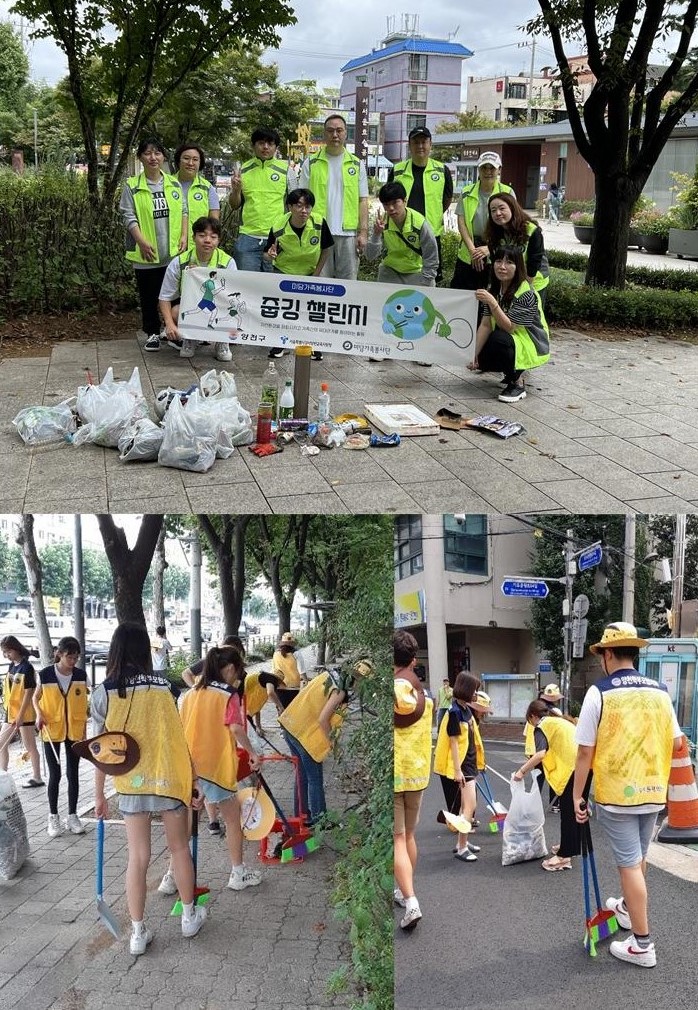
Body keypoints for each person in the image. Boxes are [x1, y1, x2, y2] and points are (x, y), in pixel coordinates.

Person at [91, 623, 207, 955]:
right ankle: (188, 917)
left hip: (131, 783)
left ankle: (138, 934)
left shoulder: (104, 693)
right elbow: (178, 740)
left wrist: (100, 795)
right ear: (145, 650)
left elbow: (102, 751)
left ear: (115, 650)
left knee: (138, 858)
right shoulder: (165, 688)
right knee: (179, 849)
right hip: (170, 779)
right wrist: (194, 782)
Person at [573, 622, 683, 969]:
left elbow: (584, 753)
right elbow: (678, 741)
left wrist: (577, 795)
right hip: (653, 790)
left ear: (607, 654)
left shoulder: (600, 692)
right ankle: (624, 909)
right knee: (638, 859)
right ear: (633, 652)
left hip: (618, 794)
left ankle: (642, 943)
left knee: (627, 866)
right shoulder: (660, 692)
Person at [167, 645, 263, 895]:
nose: (238, 678)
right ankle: (238, 873)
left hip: (189, 767)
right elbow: (235, 729)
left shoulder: (191, 693)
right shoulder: (228, 694)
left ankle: (170, 877)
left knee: (187, 824)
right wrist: (253, 752)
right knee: (233, 819)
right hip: (216, 767)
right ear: (230, 668)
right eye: (238, 672)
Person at [278, 658, 374, 826]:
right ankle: (320, 821)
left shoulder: (329, 676)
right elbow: (323, 720)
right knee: (314, 778)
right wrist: (333, 744)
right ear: (358, 679)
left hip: (290, 725)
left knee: (301, 776)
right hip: (304, 735)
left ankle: (301, 816)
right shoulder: (339, 691)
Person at [119, 137, 188, 352]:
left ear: (163, 157)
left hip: (172, 252)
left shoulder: (173, 183)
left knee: (173, 295)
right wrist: (141, 241)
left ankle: (174, 332)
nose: (153, 157)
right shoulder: (132, 186)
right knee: (148, 295)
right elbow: (128, 216)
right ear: (140, 157)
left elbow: (184, 211)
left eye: (157, 153)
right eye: (148, 153)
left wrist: (184, 236)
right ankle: (151, 333)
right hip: (146, 252)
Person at [515, 699, 590, 872]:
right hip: (585, 767)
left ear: (533, 716)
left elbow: (540, 753)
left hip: (571, 771)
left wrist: (521, 771)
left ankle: (564, 857)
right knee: (578, 810)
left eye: (529, 721)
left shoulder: (542, 726)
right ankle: (571, 846)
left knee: (569, 813)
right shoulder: (560, 721)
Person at [472, 245, 550, 403]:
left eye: (509, 263)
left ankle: (517, 381)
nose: (502, 267)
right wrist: (473, 355)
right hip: (510, 339)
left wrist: (493, 303)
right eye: (498, 261)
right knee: (480, 342)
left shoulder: (526, 293)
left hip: (530, 345)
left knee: (498, 339)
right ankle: (509, 373)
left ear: (518, 267)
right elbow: (486, 324)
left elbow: (510, 327)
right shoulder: (494, 289)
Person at [263, 188, 334, 360]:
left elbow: (327, 249)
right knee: (284, 310)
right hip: (285, 272)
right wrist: (270, 255)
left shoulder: (319, 222)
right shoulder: (279, 227)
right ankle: (279, 344)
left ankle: (312, 345)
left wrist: (316, 274)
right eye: (299, 206)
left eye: (308, 207)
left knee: (311, 311)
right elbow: (266, 254)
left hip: (310, 272)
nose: (304, 211)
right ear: (290, 207)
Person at [394, 630, 432, 932]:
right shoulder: (425, 695)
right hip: (418, 774)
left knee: (396, 839)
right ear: (413, 660)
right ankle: (404, 889)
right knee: (408, 836)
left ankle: (411, 901)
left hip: (395, 776)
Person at [299, 114, 369, 280]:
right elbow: (301, 199)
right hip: (318, 233)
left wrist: (363, 232)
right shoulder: (311, 163)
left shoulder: (357, 164)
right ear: (324, 134)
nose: (335, 135)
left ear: (345, 133)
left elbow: (363, 200)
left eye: (339, 130)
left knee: (348, 285)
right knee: (320, 284)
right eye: (330, 131)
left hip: (348, 235)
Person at [158, 215, 235, 362]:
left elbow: (233, 295)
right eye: (202, 235)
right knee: (176, 312)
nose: (207, 240)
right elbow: (165, 296)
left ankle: (222, 341)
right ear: (193, 237)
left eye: (213, 237)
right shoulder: (179, 262)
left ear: (218, 241)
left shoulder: (228, 263)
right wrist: (168, 324)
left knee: (230, 310)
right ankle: (189, 338)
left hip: (220, 303)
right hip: (193, 302)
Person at [33, 637, 88, 837]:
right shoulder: (46, 674)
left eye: (75, 657)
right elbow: (34, 697)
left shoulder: (81, 675)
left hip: (74, 730)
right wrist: (39, 714)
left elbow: (84, 702)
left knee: (73, 773)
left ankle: (72, 816)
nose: (72, 661)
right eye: (69, 657)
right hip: (51, 729)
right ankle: (53, 817)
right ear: (59, 653)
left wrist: (84, 732)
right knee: (54, 775)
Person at [389, 126, 454, 283]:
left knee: (430, 280)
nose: (420, 146)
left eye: (424, 142)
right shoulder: (397, 170)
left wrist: (433, 215)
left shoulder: (442, 171)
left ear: (430, 144)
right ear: (409, 145)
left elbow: (446, 200)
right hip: (403, 234)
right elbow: (389, 199)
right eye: (415, 142)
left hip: (431, 233)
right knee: (402, 278)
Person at [432, 671, 482, 863]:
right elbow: (453, 743)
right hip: (463, 766)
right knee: (470, 806)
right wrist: (457, 770)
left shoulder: (465, 709)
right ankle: (462, 847)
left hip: (469, 763)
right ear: (467, 690)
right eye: (475, 690)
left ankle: (463, 842)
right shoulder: (454, 712)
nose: (476, 694)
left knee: (465, 807)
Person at [451, 151, 515, 291]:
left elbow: (512, 225)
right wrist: (473, 251)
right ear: (478, 170)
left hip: (496, 252)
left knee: (489, 299)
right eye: (483, 168)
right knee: (462, 295)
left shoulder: (507, 192)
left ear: (499, 170)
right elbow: (461, 222)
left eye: (492, 168)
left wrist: (489, 249)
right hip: (469, 252)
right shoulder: (467, 192)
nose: (488, 172)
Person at [229, 127, 288, 273]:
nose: (265, 147)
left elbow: (294, 204)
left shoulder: (286, 171)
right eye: (261, 143)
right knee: (247, 286)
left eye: (270, 144)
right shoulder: (244, 170)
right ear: (253, 145)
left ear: (276, 147)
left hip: (276, 238)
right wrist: (236, 190)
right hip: (248, 237)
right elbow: (234, 205)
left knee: (273, 287)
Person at [366, 181, 439, 286]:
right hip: (390, 271)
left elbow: (431, 255)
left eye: (395, 202)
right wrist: (376, 235)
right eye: (386, 204)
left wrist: (426, 281)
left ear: (405, 201)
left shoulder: (419, 224)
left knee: (429, 286)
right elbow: (370, 256)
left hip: (416, 271)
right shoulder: (382, 222)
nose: (391, 208)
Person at [484, 192, 549, 305]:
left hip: (532, 281)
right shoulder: (494, 234)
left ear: (512, 208)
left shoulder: (531, 230)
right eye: (493, 210)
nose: (497, 213)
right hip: (508, 283)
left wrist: (524, 290)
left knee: (529, 319)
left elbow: (534, 263)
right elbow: (495, 262)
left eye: (502, 208)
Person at [0, 635, 43, 788]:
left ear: (16, 649)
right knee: (1, 744)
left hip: (24, 714)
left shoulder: (26, 667)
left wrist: (20, 716)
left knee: (30, 746)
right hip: (10, 712)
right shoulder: (12, 665)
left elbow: (28, 693)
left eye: (8, 652)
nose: (6, 655)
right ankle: (2, 775)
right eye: (4, 653)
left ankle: (37, 777)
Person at [173, 142, 220, 241]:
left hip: (198, 246)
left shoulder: (207, 188)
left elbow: (214, 223)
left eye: (195, 159)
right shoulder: (166, 185)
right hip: (172, 246)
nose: (190, 163)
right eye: (186, 158)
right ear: (178, 161)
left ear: (200, 163)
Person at [271, 632, 306, 712]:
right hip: (294, 688)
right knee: (292, 711)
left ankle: (281, 724)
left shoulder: (275, 654)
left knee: (281, 710)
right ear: (292, 644)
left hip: (279, 686)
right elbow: (302, 673)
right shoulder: (296, 654)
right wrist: (306, 684)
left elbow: (273, 670)